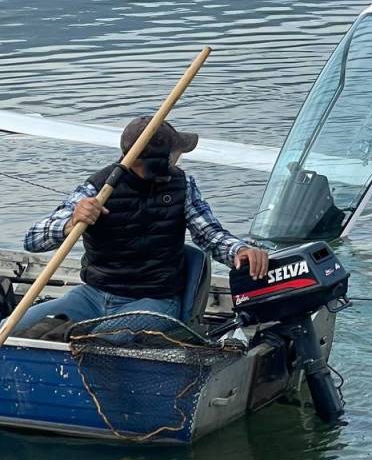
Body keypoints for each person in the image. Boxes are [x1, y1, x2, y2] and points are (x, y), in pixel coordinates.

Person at [8, 116, 269, 334]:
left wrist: (240, 251)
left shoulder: (182, 186)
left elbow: (209, 234)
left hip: (154, 301)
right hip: (93, 296)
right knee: (10, 330)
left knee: (97, 343)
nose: (179, 159)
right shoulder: (99, 188)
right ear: (159, 160)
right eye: (176, 153)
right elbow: (33, 239)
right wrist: (70, 222)